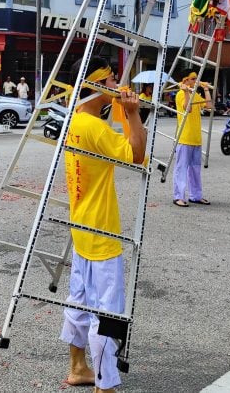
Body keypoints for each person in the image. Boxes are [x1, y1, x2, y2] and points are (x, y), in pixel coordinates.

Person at [60, 56, 146, 392]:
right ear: (95, 84)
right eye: (110, 80)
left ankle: (78, 366)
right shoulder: (95, 127)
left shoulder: (76, 121)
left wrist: (122, 111)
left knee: (79, 300)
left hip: (81, 227)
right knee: (108, 311)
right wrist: (133, 112)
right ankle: (104, 383)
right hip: (100, 230)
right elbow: (137, 156)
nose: (116, 85)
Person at [172, 71, 212, 207]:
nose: (196, 81)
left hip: (196, 139)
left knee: (195, 170)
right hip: (184, 138)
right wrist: (186, 92)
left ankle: (196, 196)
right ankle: (178, 196)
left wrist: (206, 89)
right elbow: (187, 109)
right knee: (181, 169)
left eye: (197, 79)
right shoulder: (180, 94)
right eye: (193, 79)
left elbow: (209, 106)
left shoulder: (195, 94)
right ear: (185, 80)